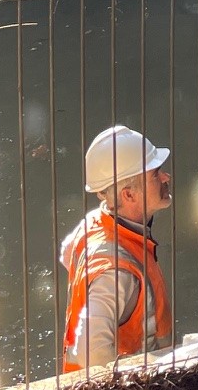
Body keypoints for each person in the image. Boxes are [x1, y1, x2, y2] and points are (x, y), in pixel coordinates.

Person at [60, 125, 174, 372]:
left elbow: (67, 253)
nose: (166, 177)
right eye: (156, 174)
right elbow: (91, 352)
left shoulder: (94, 222)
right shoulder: (116, 273)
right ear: (129, 195)